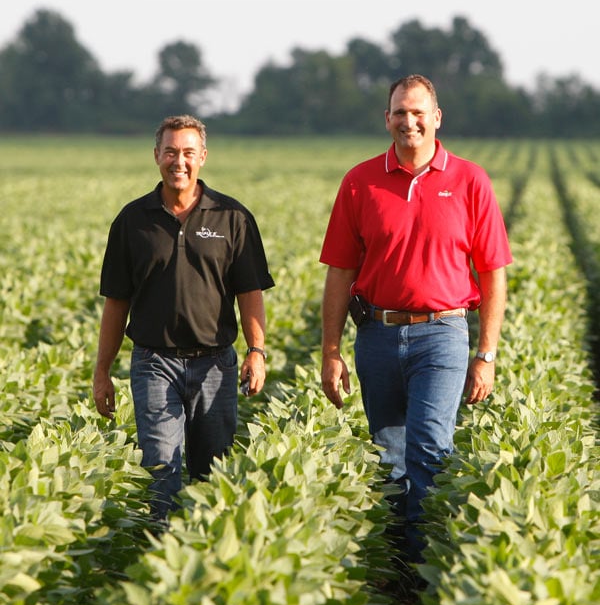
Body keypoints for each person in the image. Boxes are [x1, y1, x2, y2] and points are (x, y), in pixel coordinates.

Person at [319, 74, 512, 563]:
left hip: (443, 333)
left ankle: (427, 564)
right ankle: (399, 563)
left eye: (418, 111)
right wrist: (331, 351)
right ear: (387, 119)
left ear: (437, 117)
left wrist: (486, 354)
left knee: (429, 447)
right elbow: (340, 272)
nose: (409, 121)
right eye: (400, 112)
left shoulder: (470, 180)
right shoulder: (360, 181)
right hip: (377, 334)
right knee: (389, 455)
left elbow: (493, 273)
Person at [93, 115, 274, 520]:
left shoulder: (232, 217)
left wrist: (256, 351)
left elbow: (250, 292)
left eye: (188, 153)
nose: (180, 162)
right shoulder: (132, 220)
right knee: (161, 471)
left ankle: (207, 559)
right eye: (171, 152)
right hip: (154, 363)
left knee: (214, 476)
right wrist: (102, 371)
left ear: (203, 157)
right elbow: (116, 302)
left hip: (216, 364)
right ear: (156, 155)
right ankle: (160, 558)